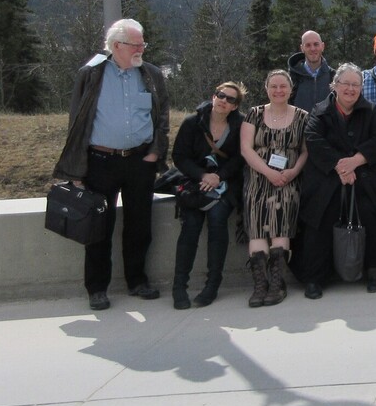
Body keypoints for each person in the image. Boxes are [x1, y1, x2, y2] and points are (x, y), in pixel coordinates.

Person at [54, 18, 170, 311]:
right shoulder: (92, 74)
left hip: (140, 161)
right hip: (100, 161)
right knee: (98, 227)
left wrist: (155, 152)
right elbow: (77, 122)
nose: (141, 48)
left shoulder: (151, 74)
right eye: (136, 44)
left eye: (143, 43)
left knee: (139, 226)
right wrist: (77, 169)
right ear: (117, 45)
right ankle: (97, 288)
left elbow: (162, 117)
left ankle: (137, 281)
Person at [299, 64, 376, 298]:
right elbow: (314, 141)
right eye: (345, 83)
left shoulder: (371, 111)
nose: (350, 89)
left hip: (362, 176)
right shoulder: (319, 111)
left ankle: (374, 271)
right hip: (327, 177)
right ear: (335, 85)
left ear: (361, 87)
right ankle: (315, 277)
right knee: (322, 214)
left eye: (355, 84)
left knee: (368, 212)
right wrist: (340, 166)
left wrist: (355, 161)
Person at [170, 81, 246, 309]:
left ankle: (212, 284)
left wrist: (219, 176)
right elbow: (179, 156)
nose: (223, 101)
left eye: (230, 99)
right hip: (195, 183)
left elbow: (240, 157)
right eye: (220, 95)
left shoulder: (241, 125)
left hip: (225, 184)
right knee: (191, 225)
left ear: (235, 106)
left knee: (217, 220)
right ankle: (179, 286)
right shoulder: (193, 123)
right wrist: (203, 176)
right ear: (213, 96)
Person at [240, 70, 309, 308]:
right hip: (258, 179)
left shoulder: (302, 116)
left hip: (288, 180)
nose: (278, 91)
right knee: (258, 227)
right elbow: (246, 149)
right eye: (274, 86)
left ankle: (277, 282)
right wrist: (268, 172)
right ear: (266, 88)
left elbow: (305, 151)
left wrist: (293, 172)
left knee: (282, 223)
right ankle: (261, 284)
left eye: (283, 86)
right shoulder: (254, 114)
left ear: (291, 89)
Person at [288, 30, 333, 111]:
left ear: (322, 46)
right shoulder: (291, 78)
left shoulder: (333, 77)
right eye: (308, 45)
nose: (312, 48)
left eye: (316, 44)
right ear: (302, 48)